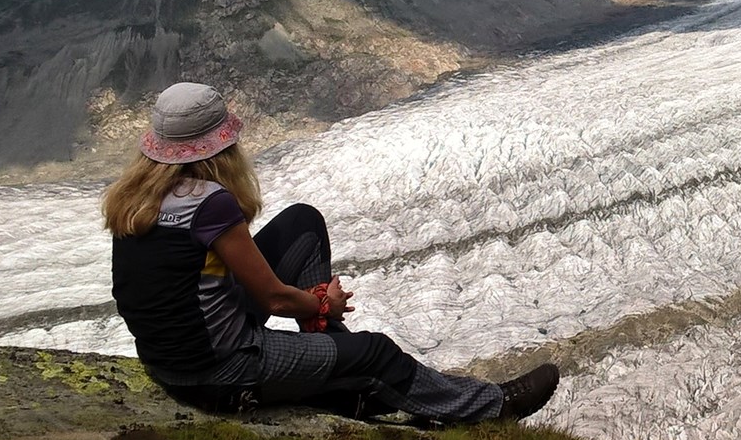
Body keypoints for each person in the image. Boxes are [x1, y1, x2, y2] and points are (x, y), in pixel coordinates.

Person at [103, 81, 558, 422]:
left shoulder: (135, 198)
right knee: (377, 352)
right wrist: (324, 302)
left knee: (301, 223)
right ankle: (492, 407)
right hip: (219, 369)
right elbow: (275, 300)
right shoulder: (209, 203)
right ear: (220, 146)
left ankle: (331, 353)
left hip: (170, 359)